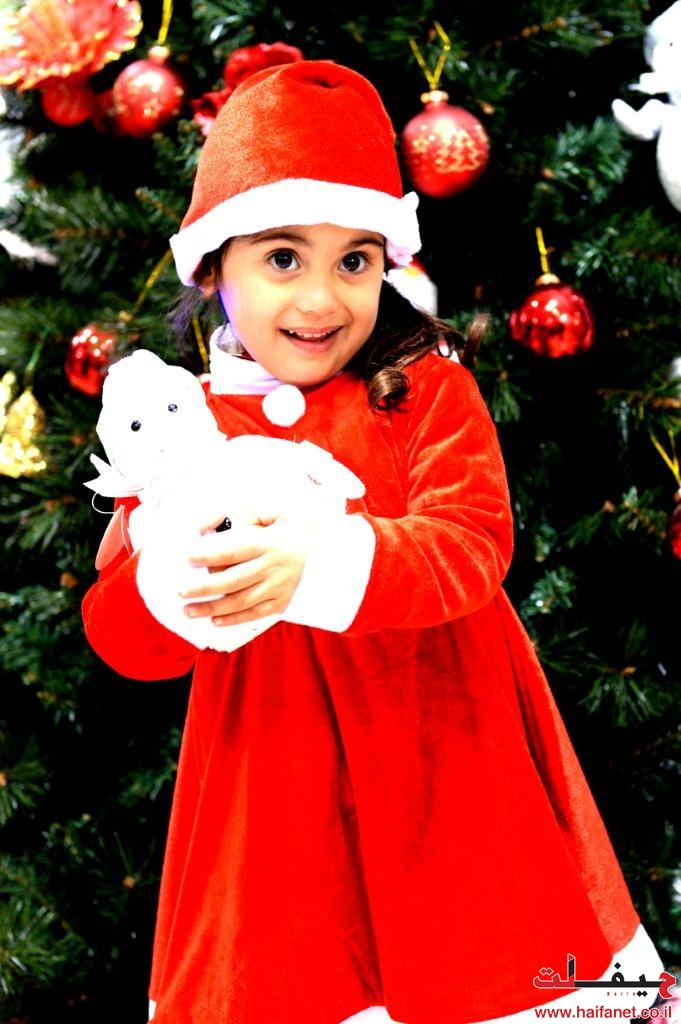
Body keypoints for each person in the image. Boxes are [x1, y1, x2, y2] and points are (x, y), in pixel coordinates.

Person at [82, 60, 666, 1024]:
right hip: (273, 798)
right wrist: (173, 582)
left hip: (446, 769)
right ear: (214, 267)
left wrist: (323, 566)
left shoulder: (426, 391)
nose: (322, 299)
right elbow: (122, 635)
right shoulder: (181, 429)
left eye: (353, 261)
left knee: (480, 975)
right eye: (283, 258)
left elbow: (470, 543)